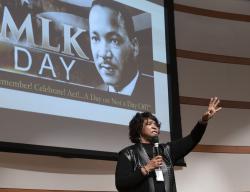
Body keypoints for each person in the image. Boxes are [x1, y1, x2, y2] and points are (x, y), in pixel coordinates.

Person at [115, 97, 222, 192]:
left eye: (155, 124)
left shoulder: (166, 150)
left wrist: (203, 121)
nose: (154, 126)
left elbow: (192, 139)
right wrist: (146, 168)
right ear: (138, 129)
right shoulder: (128, 153)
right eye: (149, 124)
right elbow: (121, 184)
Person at [88, 0, 152, 96]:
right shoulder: (93, 95)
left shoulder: (155, 94)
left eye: (114, 41)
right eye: (95, 38)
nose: (103, 53)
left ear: (134, 46)